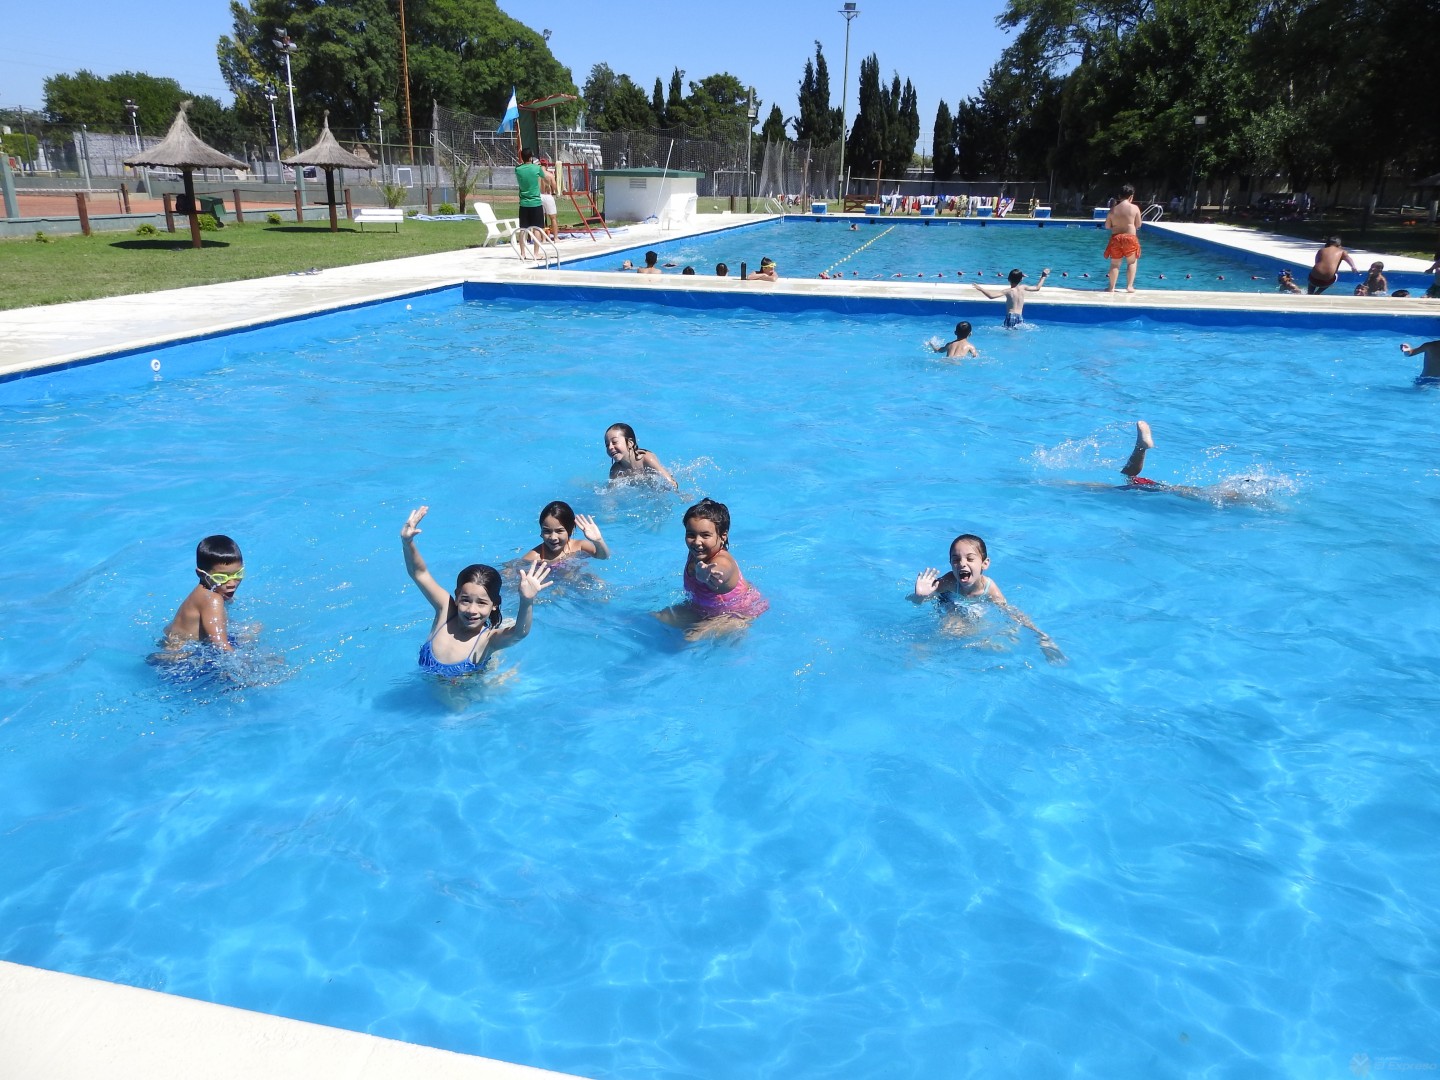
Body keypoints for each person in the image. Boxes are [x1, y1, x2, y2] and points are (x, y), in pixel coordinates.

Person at [401, 506, 551, 677]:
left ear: (494, 604)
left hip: (467, 691)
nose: (472, 610)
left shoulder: (488, 640)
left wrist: (526, 600)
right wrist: (407, 542)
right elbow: (419, 574)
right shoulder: (445, 612)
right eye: (465, 600)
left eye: (481, 603)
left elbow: (519, 633)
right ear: (457, 597)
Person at [910, 533, 1064, 664]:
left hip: (975, 607)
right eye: (956, 560)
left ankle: (972, 645)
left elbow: (1012, 612)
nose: (962, 564)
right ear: (950, 563)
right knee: (952, 628)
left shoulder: (990, 589)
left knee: (1009, 639)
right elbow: (916, 602)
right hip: (949, 602)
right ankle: (925, 648)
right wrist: (920, 596)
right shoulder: (948, 582)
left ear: (984, 564)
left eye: (970, 559)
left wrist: (1040, 635)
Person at [656, 497, 768, 639]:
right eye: (691, 534)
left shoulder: (722, 560)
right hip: (702, 609)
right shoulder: (696, 553)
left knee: (690, 637)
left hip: (736, 614)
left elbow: (723, 570)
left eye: (705, 535)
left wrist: (709, 574)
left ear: (723, 536)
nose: (697, 542)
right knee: (655, 617)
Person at [161, 534, 245, 651]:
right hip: (181, 656)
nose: (232, 583)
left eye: (238, 574)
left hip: (176, 645)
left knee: (252, 630)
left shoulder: (208, 592)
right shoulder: (212, 599)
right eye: (221, 577)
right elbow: (220, 645)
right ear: (201, 574)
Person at [524, 501, 610, 565]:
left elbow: (602, 556)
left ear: (571, 530)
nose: (553, 537)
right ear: (541, 532)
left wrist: (598, 541)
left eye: (559, 531)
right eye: (547, 531)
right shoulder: (533, 558)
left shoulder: (580, 547)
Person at [605, 422, 679, 489]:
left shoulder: (647, 459)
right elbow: (610, 492)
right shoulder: (615, 471)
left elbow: (671, 483)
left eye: (614, 442)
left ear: (630, 443)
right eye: (607, 445)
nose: (610, 447)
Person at [971, 267, 1050, 327]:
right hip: (1020, 317)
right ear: (1021, 279)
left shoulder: (1008, 291)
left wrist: (981, 289)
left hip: (1011, 316)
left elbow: (991, 296)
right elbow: (1037, 288)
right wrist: (1043, 276)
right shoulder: (1023, 287)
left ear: (1008, 279)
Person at [1103, 183, 1143, 293]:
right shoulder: (1134, 208)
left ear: (1119, 196)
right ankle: (1129, 286)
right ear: (1131, 196)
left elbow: (1107, 226)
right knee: (1131, 262)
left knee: (1115, 264)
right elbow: (1138, 224)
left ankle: (1111, 287)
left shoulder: (1113, 210)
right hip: (1130, 238)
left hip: (1116, 238)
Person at [514, 148, 546, 259]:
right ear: (531, 157)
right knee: (537, 228)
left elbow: (521, 169)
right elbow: (544, 176)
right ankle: (536, 253)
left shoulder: (518, 169)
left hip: (524, 203)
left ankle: (522, 253)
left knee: (523, 229)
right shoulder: (537, 168)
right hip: (535, 202)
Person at [539, 158, 559, 240]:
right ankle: (556, 238)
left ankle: (543, 239)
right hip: (547, 196)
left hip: (538, 196)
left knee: (541, 219)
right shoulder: (550, 175)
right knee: (553, 218)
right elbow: (554, 187)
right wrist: (556, 192)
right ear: (546, 165)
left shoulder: (536, 174)